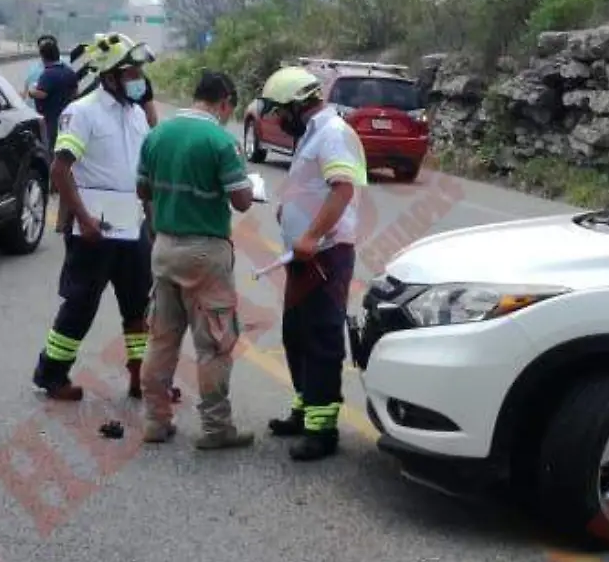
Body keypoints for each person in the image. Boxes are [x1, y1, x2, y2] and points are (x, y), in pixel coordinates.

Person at [29, 32, 158, 402]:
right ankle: (51, 375)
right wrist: (83, 219)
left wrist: (152, 222)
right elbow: (60, 170)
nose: (139, 80)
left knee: (137, 307)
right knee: (81, 305)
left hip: (132, 228)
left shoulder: (136, 116)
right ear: (111, 76)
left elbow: (142, 175)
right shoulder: (82, 112)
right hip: (93, 228)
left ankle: (139, 377)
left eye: (139, 73)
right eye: (131, 73)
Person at [135, 70, 259, 447]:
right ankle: (216, 429)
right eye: (228, 109)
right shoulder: (220, 141)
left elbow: (143, 189)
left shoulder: (156, 136)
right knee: (215, 345)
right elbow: (241, 201)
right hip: (206, 252)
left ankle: (155, 422)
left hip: (164, 248)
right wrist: (248, 185)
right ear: (224, 102)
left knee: (161, 339)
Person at [259, 65, 366, 461]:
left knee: (321, 337)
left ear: (296, 106)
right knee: (296, 334)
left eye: (278, 111)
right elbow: (314, 186)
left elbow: (342, 188)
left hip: (324, 254)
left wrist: (309, 235)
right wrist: (290, 212)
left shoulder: (333, 133)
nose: (275, 119)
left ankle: (322, 431)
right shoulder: (314, 133)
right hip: (304, 255)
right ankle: (305, 410)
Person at [26, 35, 77, 149]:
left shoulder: (48, 73)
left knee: (52, 147)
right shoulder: (68, 71)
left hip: (51, 119)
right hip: (68, 117)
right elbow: (75, 93)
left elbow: (42, 94)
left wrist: (31, 92)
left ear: (43, 56)